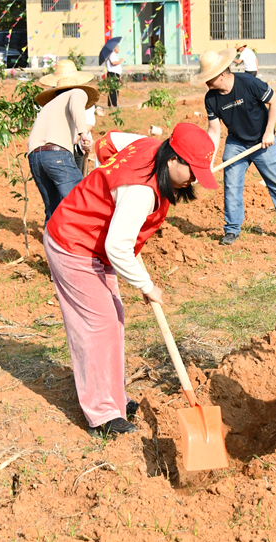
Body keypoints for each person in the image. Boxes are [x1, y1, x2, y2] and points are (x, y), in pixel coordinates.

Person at [44, 123, 219, 437]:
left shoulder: (150, 145)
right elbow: (118, 246)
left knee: (114, 319)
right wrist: (146, 284)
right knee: (97, 324)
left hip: (94, 244)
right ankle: (102, 415)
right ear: (173, 159)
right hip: (73, 243)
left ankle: (115, 399)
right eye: (192, 171)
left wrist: (107, 193)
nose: (194, 180)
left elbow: (107, 145)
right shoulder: (140, 191)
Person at [194, 49, 276, 246]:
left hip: (263, 141)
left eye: (209, 78)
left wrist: (269, 132)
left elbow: (275, 101)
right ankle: (232, 229)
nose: (207, 82)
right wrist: (208, 161)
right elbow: (214, 132)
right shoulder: (211, 98)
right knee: (232, 185)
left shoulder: (248, 83)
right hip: (236, 143)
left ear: (222, 74)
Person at [28, 60, 97, 224]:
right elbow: (76, 104)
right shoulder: (77, 93)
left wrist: (77, 137)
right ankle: (84, 246)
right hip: (56, 154)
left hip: (34, 157)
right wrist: (84, 133)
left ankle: (52, 246)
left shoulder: (49, 106)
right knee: (81, 202)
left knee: (53, 210)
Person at [106, 42, 123, 108]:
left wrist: (119, 75)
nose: (119, 49)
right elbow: (113, 63)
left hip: (115, 74)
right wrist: (120, 61)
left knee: (114, 89)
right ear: (115, 48)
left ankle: (113, 104)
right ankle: (113, 104)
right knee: (113, 89)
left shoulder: (114, 54)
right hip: (113, 74)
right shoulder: (112, 54)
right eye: (118, 47)